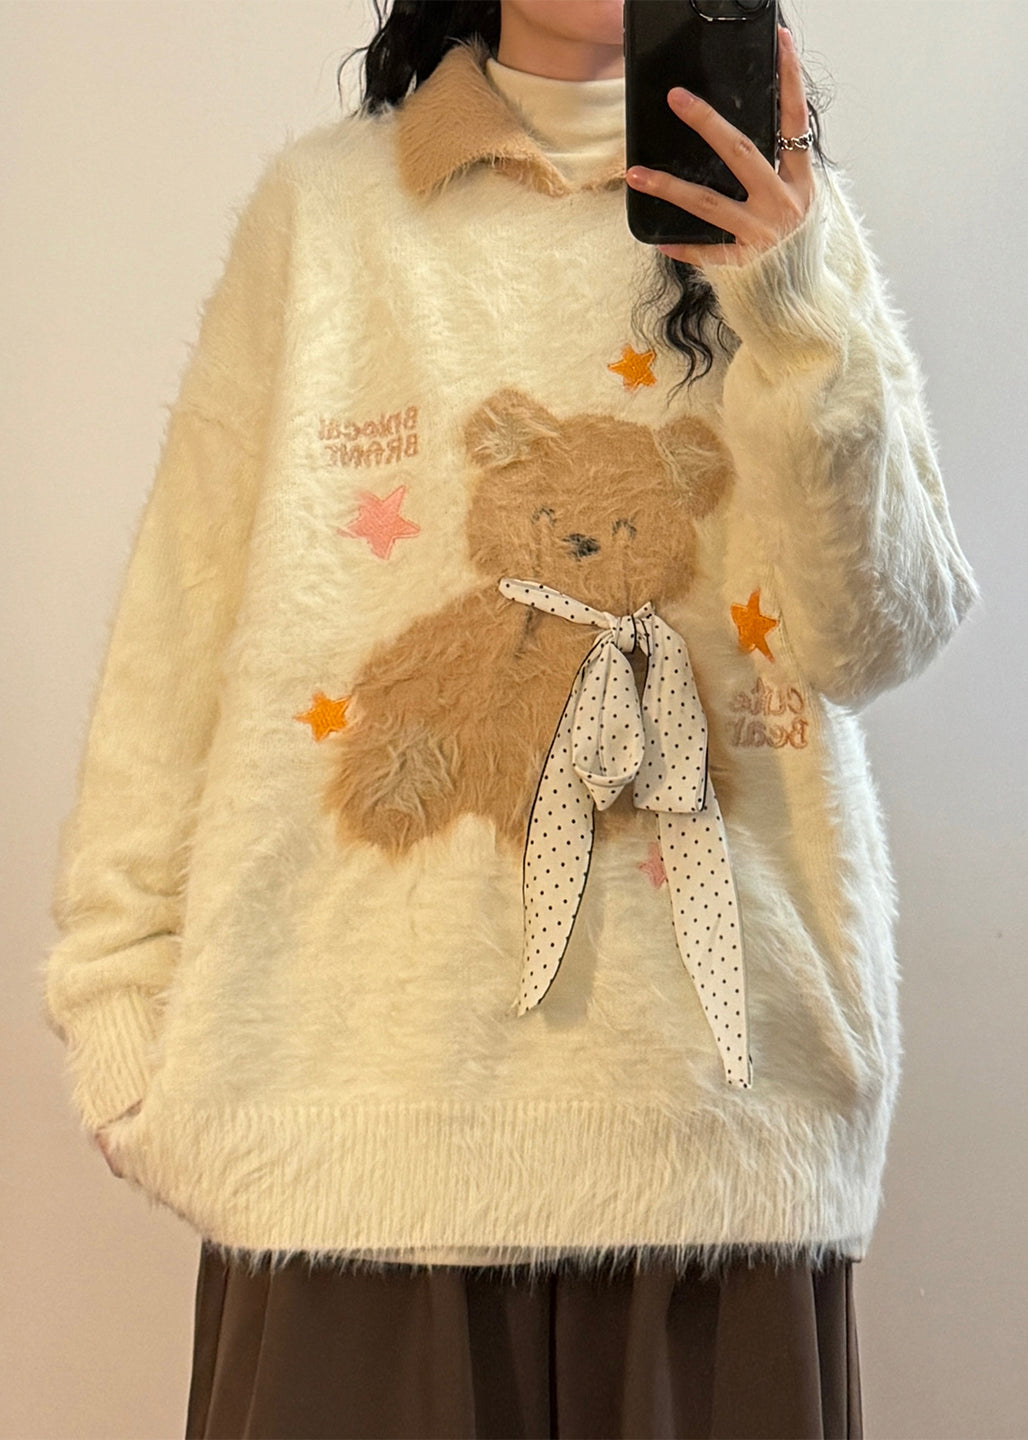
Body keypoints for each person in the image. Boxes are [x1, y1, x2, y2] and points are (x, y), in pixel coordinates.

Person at [40, 0, 978, 1436]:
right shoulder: (325, 214)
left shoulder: (786, 221)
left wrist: (787, 303)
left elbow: (875, 635)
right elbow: (184, 619)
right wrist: (115, 997)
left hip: (715, 1144)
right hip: (348, 1138)